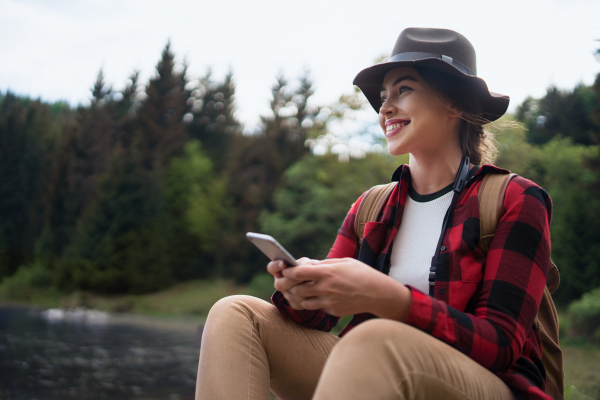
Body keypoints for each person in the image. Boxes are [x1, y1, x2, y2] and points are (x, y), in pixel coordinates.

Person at [195, 27, 553, 400]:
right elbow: (320, 319)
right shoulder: (373, 207)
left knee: (375, 337)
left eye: (404, 89)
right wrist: (300, 290)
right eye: (383, 97)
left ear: (455, 104)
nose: (385, 108)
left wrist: (388, 297)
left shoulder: (515, 198)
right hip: (372, 365)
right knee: (235, 314)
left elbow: (500, 346)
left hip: (482, 385)